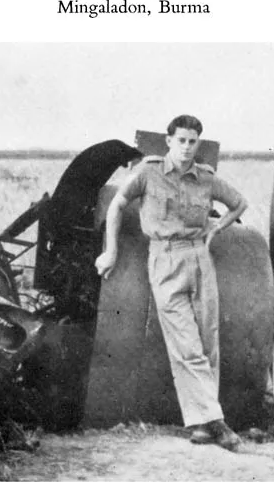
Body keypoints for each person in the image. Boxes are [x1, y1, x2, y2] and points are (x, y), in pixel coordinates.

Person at [94, 114, 248, 451]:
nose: (187, 147)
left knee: (208, 342)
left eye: (193, 142)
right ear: (169, 141)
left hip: (199, 258)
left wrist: (216, 228)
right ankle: (217, 424)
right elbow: (118, 205)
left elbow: (239, 204)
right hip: (164, 260)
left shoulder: (206, 178)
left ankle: (201, 426)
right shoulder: (148, 172)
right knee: (186, 346)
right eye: (181, 140)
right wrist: (111, 251)